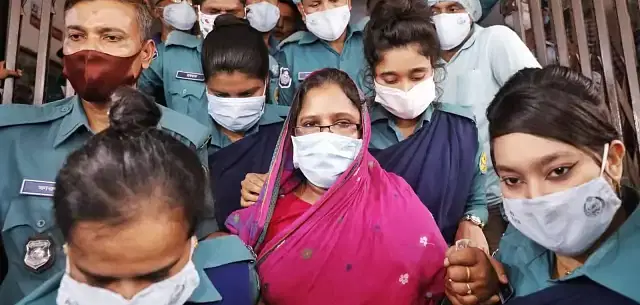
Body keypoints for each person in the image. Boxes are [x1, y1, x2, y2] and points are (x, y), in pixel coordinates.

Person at [0, 1, 215, 303]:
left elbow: (196, 250)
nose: (90, 51)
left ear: (146, 54)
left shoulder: (184, 140)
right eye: (77, 36)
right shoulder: (14, 138)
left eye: (110, 37)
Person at [15, 87, 260, 305]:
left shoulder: (233, 283)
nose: (128, 297)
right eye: (100, 279)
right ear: (69, 251)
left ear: (191, 246)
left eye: (156, 276)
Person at [227, 68, 448, 304]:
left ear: (362, 130)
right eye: (310, 124)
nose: (326, 135)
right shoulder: (265, 209)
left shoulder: (396, 199)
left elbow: (440, 278)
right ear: (293, 135)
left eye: (342, 122)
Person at [444, 66, 640, 304]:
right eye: (513, 180)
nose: (536, 198)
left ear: (612, 161)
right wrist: (491, 288)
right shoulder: (518, 243)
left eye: (559, 171)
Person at [364, 0, 488, 248]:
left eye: (417, 75)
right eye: (390, 79)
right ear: (373, 76)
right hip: (372, 265)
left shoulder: (460, 128)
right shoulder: (357, 130)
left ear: (434, 68)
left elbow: (476, 200)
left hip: (444, 265)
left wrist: (472, 222)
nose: (405, 88)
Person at [426, 0, 541, 253]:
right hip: (461, 203)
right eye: (435, 10)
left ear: (472, 10)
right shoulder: (426, 63)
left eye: (453, 8)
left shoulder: (494, 41)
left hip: (510, 194)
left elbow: (537, 99)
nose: (443, 17)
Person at [203, 15, 289, 228]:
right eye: (221, 95)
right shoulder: (189, 139)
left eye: (246, 94)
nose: (235, 105)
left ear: (266, 82)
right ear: (205, 86)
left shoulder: (289, 129)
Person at [276, 0, 366, 106]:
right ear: (302, 10)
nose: (327, 10)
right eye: (315, 5)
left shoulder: (369, 42)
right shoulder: (290, 53)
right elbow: (285, 112)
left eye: (334, 1)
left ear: (348, 2)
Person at [138, 0, 210, 125]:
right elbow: (138, 95)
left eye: (186, 1)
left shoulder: (205, 47)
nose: (183, 5)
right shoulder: (156, 53)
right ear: (156, 11)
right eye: (174, 2)